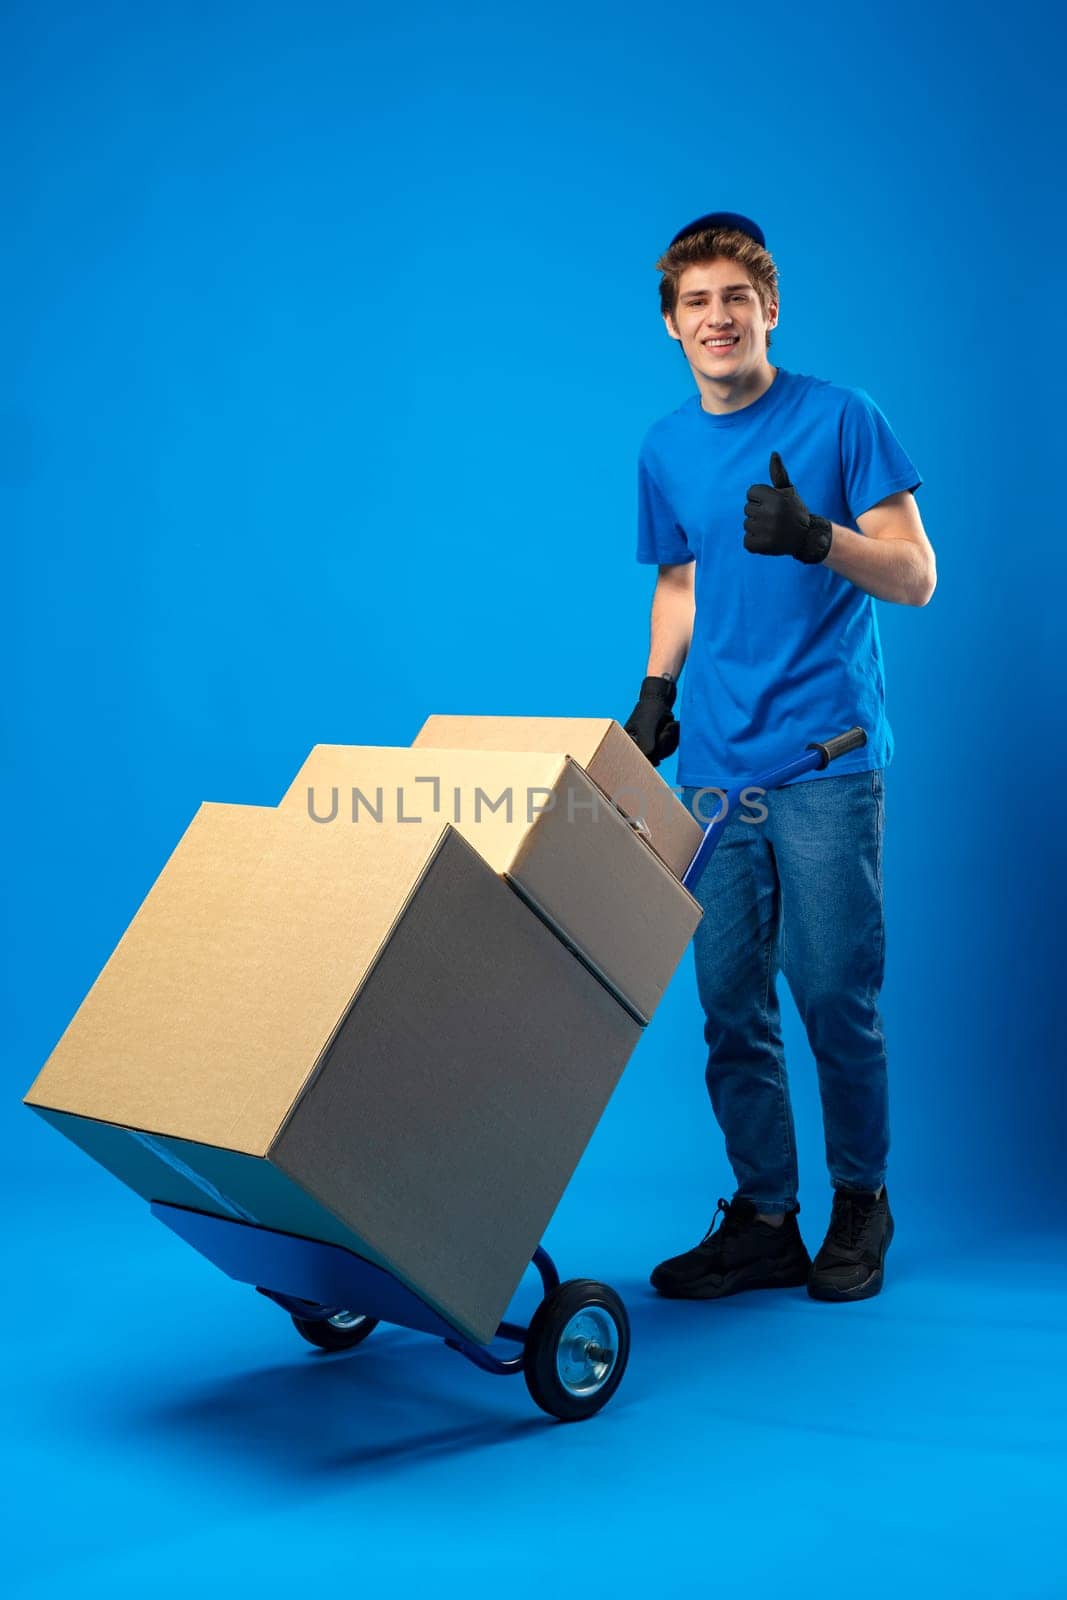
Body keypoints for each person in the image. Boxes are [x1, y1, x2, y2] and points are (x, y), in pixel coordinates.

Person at [624, 211, 935, 1304]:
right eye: (695, 302)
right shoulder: (665, 447)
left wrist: (816, 536)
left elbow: (913, 574)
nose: (716, 318)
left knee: (829, 996)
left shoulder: (841, 418)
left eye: (734, 299)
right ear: (671, 323)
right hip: (711, 765)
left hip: (823, 760)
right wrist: (654, 696)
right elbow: (679, 582)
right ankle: (765, 1216)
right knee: (727, 1006)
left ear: (769, 310)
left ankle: (861, 1202)